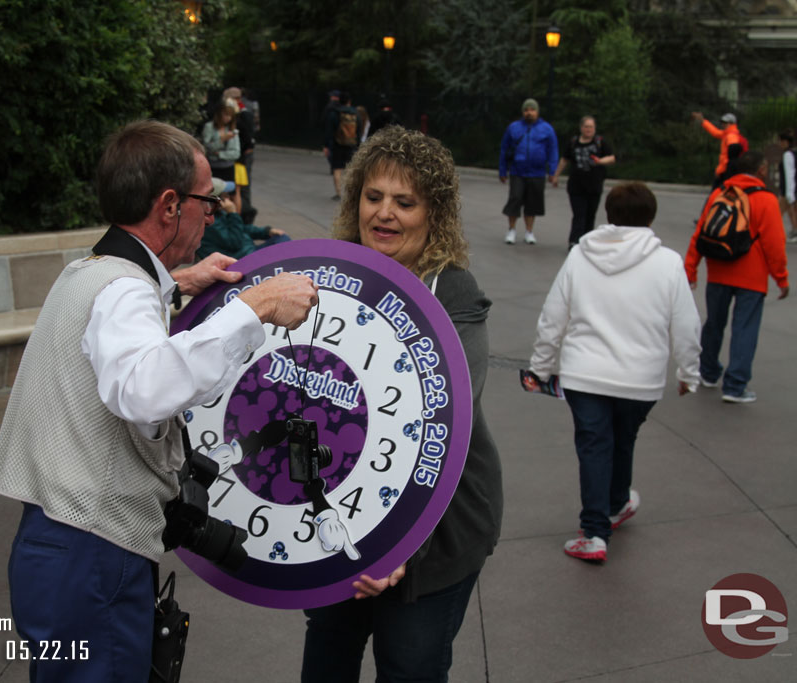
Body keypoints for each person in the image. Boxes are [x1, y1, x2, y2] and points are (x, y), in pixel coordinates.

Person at [0, 120, 319, 681]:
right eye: (205, 203)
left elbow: (118, 326)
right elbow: (144, 390)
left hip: (55, 544)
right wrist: (255, 306)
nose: (211, 216)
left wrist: (175, 283)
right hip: (95, 550)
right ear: (170, 205)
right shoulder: (124, 291)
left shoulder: (89, 273)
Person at [301, 125, 503, 682]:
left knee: (408, 666)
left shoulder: (452, 291)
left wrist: (400, 545)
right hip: (345, 516)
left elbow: (446, 419)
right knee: (327, 661)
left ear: (432, 213)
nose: (384, 213)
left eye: (404, 202)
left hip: (438, 532)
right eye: (373, 196)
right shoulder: (336, 274)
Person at [530, 182, 702, 563]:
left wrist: (541, 367)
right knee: (623, 439)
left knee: (594, 445)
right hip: (641, 379)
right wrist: (689, 373)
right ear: (650, 217)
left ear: (608, 214)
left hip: (583, 374)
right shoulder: (669, 262)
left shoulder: (580, 255)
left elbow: (553, 317)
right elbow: (687, 325)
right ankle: (616, 503)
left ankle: (594, 532)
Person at [685, 150, 790, 404]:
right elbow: (774, 244)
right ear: (761, 171)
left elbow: (700, 233)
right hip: (751, 276)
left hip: (718, 269)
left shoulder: (720, 193)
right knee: (745, 329)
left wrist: (691, 268)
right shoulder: (766, 199)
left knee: (714, 323)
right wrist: (781, 278)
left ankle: (707, 372)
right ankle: (735, 386)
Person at [499, 98, 558, 245]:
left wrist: (552, 171)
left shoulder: (546, 129)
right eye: (526, 110)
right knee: (515, 199)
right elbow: (504, 149)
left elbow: (553, 151)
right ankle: (511, 229)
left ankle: (529, 231)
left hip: (537, 172)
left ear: (537, 112)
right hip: (517, 171)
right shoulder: (514, 127)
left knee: (532, 203)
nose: (529, 113)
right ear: (523, 112)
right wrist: (502, 170)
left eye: (532, 110)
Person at [551, 115, 616, 248]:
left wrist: (600, 161)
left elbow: (611, 158)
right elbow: (565, 159)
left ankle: (587, 242)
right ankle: (574, 241)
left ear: (595, 128)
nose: (589, 129)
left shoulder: (600, 142)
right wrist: (556, 175)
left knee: (590, 215)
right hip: (576, 186)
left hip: (594, 186)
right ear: (581, 128)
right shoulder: (574, 142)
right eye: (586, 126)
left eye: (591, 127)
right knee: (579, 214)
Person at [195, 177, 291, 260]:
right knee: (284, 244)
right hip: (243, 259)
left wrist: (267, 231)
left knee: (281, 238)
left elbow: (242, 229)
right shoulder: (211, 223)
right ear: (217, 199)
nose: (229, 197)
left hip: (249, 251)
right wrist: (233, 213)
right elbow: (234, 242)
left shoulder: (219, 213)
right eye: (225, 195)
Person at [224, 86, 258, 224]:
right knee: (239, 188)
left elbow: (248, 138)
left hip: (241, 157)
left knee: (242, 188)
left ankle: (245, 215)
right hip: (238, 156)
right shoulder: (240, 112)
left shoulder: (243, 114)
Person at [691, 111, 748, 187]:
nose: (722, 124)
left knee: (717, 194)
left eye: (725, 122)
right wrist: (703, 121)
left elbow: (730, 157)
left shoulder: (731, 136)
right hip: (727, 170)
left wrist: (720, 171)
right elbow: (715, 132)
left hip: (726, 171)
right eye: (722, 122)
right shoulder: (727, 134)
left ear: (731, 123)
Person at [323, 90, 359, 199]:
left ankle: (339, 193)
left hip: (337, 145)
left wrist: (326, 145)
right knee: (350, 170)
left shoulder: (335, 113)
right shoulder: (355, 113)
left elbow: (329, 131)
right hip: (351, 146)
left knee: (337, 169)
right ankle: (350, 193)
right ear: (349, 101)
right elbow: (359, 131)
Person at [202, 101, 241, 185]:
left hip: (228, 167)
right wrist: (222, 140)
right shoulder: (209, 127)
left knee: (229, 193)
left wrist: (219, 154)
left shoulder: (232, 129)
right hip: (213, 166)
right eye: (226, 114)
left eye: (230, 115)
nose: (228, 118)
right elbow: (207, 148)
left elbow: (236, 153)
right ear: (220, 114)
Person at [778, 129, 797, 242]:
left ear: (785, 142)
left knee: (777, 212)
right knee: (792, 211)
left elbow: (789, 174)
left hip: (788, 189)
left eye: (780, 141)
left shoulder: (787, 155)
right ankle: (794, 230)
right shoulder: (793, 153)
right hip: (791, 189)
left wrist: (789, 192)